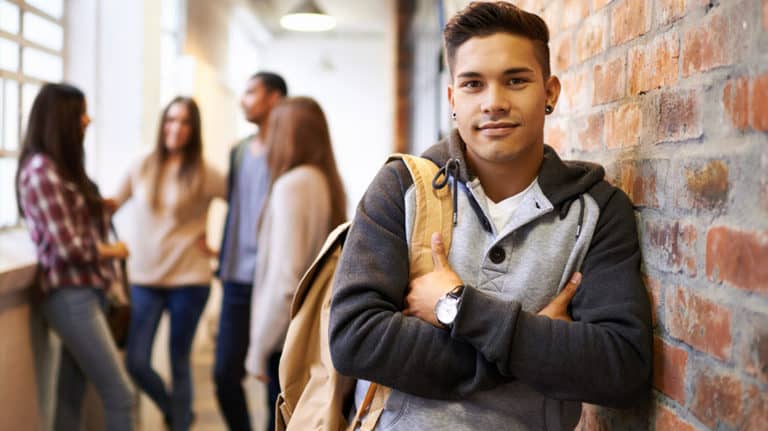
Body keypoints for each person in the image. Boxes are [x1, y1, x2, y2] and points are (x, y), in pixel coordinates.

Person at [329, 2, 652, 430]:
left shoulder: (596, 210)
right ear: (452, 99)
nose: (494, 103)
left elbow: (621, 366)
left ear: (550, 91)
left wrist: (456, 308)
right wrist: (527, 343)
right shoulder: (402, 188)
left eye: (516, 81)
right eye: (473, 84)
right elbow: (355, 339)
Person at [15, 83, 135, 431]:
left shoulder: (59, 169)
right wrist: (114, 250)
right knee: (120, 394)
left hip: (85, 291)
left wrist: (99, 207)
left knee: (70, 396)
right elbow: (69, 247)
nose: (88, 120)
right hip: (70, 295)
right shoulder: (41, 171)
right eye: (81, 113)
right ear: (61, 118)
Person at [108, 96, 226, 431]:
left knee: (179, 362)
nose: (176, 128)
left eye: (185, 122)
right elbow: (111, 206)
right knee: (136, 361)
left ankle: (178, 424)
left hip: (190, 281)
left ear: (194, 129)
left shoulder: (206, 171)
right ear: (162, 124)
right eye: (171, 120)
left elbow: (245, 206)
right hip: (145, 280)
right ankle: (179, 414)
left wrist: (220, 248)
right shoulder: (142, 165)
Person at [244, 96, 347, 431]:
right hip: (307, 335)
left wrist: (258, 348)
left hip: (286, 338)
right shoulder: (322, 180)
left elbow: (286, 281)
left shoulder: (292, 185)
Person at [214, 71, 287, 430]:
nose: (243, 99)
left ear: (274, 98)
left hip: (273, 282)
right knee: (224, 373)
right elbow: (235, 207)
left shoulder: (289, 152)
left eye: (250, 92)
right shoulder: (239, 151)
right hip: (236, 279)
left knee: (275, 380)